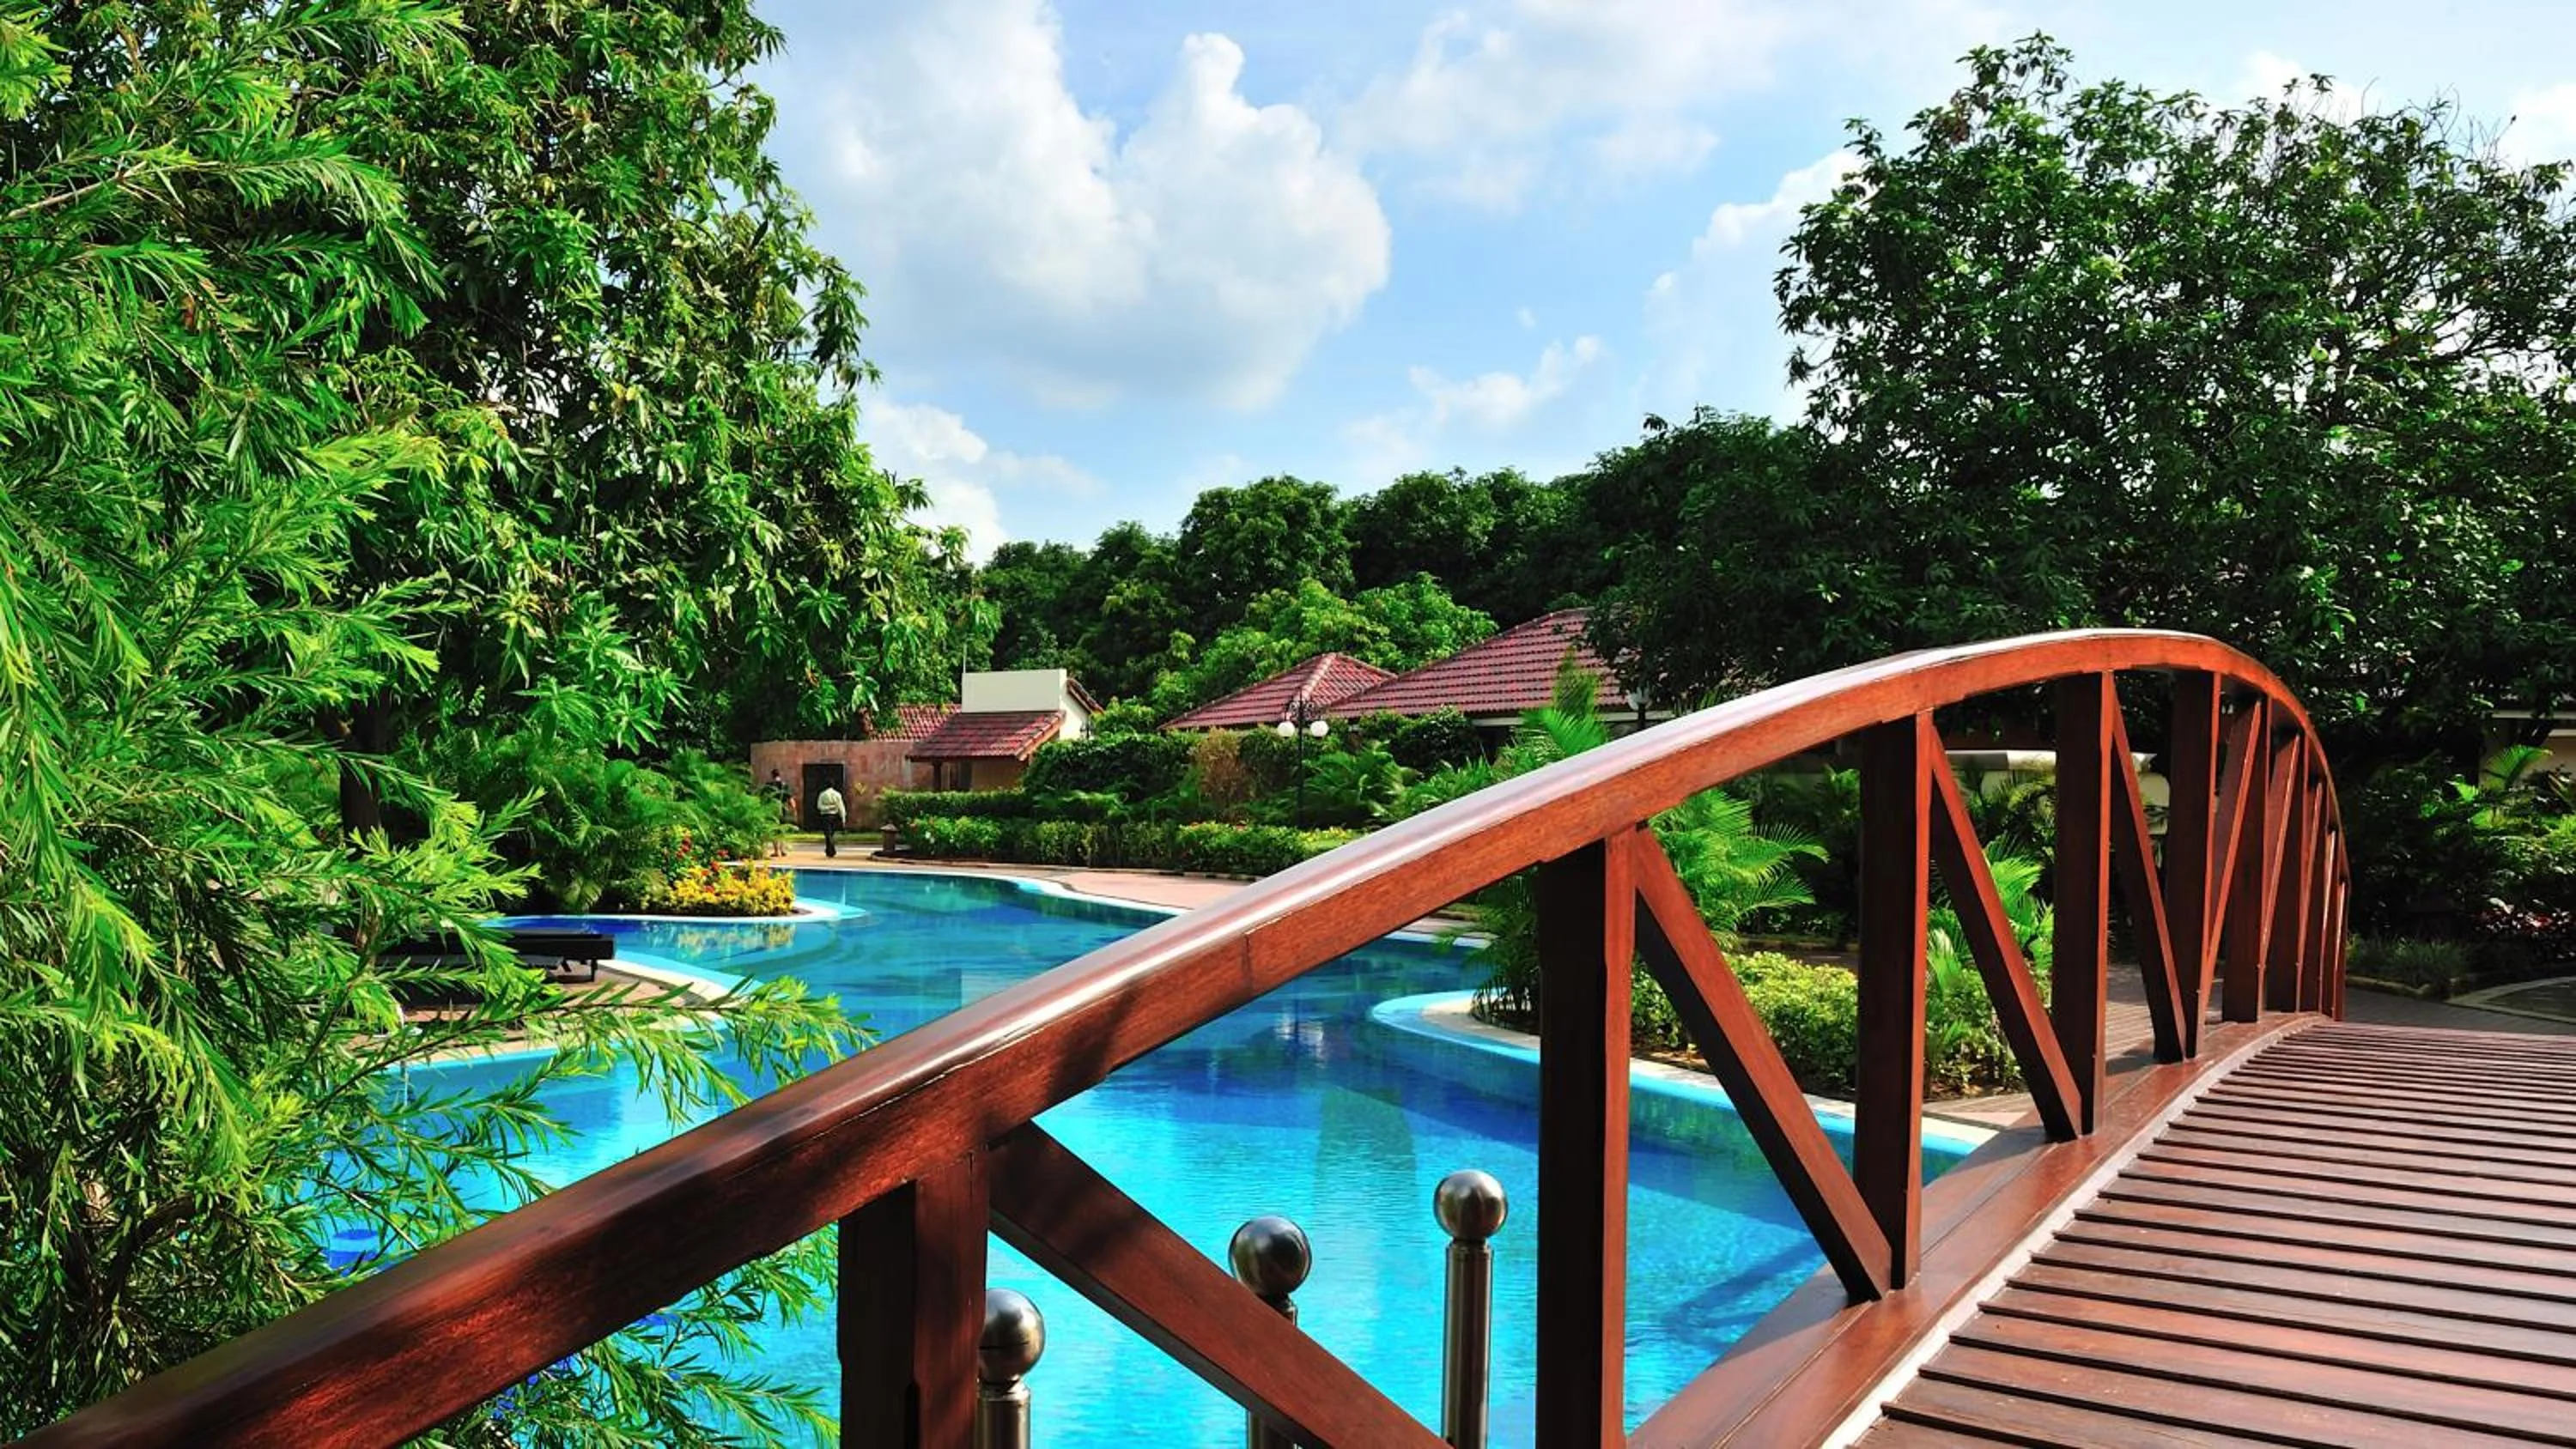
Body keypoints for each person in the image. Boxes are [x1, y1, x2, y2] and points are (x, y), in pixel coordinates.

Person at [815, 782, 847, 858]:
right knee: (831, 833)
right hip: (834, 816)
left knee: (827, 834)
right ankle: (830, 849)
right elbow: (841, 807)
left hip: (825, 816)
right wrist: (843, 818)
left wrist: (827, 808)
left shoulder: (822, 794)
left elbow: (819, 806)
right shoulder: (837, 794)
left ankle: (830, 850)